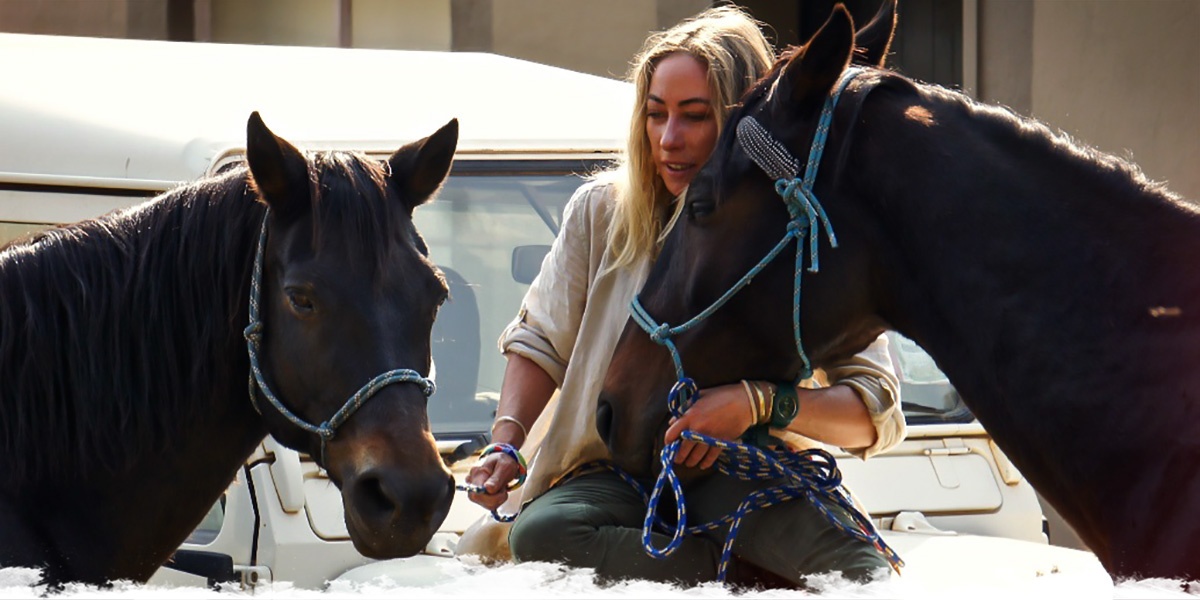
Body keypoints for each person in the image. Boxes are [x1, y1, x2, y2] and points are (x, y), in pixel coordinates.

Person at [456, 5, 906, 588]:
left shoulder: (800, 230)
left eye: (695, 116)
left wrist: (755, 403)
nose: (669, 139)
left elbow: (875, 413)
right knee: (541, 535)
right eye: (656, 114)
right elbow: (541, 340)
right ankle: (734, 576)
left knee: (866, 576)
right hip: (610, 476)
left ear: (747, 121)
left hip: (743, 473)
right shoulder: (601, 212)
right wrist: (507, 444)